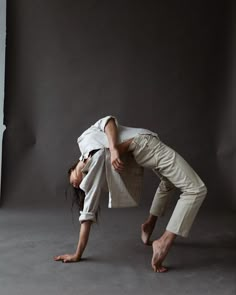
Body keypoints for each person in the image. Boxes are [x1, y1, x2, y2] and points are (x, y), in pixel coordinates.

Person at [54, 115, 207, 272]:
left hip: (144, 143)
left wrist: (114, 149)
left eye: (71, 180)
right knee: (196, 189)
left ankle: (149, 224)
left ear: (72, 168)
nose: (74, 184)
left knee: (168, 183)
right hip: (145, 147)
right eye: (75, 187)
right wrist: (77, 254)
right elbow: (87, 214)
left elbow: (108, 121)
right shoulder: (92, 176)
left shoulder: (84, 140)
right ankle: (164, 241)